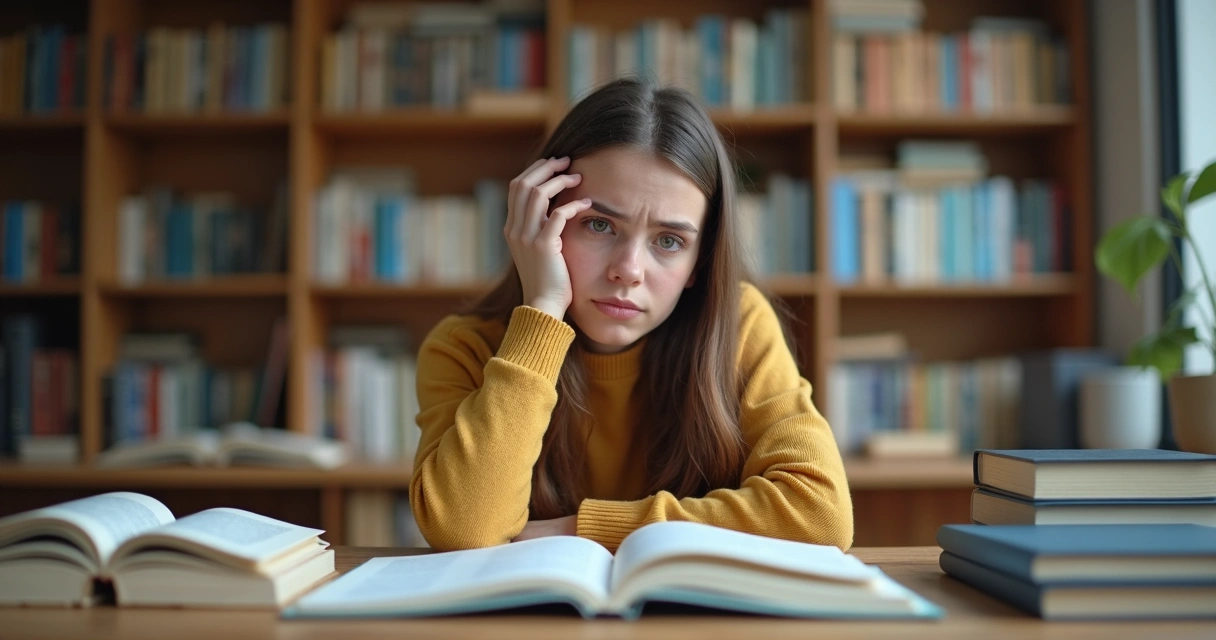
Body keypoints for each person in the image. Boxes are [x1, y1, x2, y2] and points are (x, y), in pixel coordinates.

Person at [409, 77, 852, 553]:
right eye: (598, 225)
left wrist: (579, 528)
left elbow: (820, 515)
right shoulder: (463, 347)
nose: (628, 271)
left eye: (669, 241)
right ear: (539, 221)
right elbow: (463, 528)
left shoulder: (739, 326)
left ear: (697, 264)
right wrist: (541, 313)